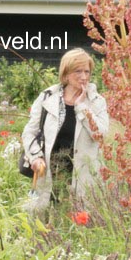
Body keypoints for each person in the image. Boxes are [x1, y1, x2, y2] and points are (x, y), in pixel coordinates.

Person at [21, 48, 110, 210]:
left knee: (79, 221)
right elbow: (29, 132)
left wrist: (82, 107)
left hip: (82, 175)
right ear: (66, 73)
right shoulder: (47, 98)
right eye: (78, 71)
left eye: (87, 71)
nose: (83, 77)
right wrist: (35, 157)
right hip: (49, 171)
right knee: (45, 219)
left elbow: (100, 135)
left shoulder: (97, 102)